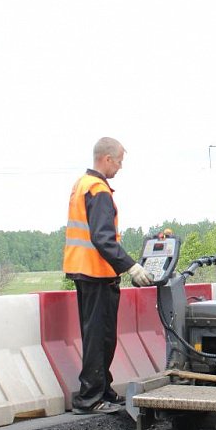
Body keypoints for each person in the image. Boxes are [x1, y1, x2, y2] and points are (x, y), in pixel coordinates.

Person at [63, 137, 153, 415]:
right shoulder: (98, 190)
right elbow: (103, 238)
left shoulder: (83, 184)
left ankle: (102, 390)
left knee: (101, 336)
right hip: (95, 271)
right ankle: (89, 398)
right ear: (107, 159)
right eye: (119, 162)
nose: (120, 167)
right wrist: (131, 266)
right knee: (98, 337)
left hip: (88, 270)